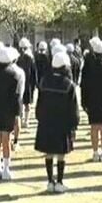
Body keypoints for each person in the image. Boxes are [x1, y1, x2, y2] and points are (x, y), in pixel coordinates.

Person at [35, 51, 80, 193]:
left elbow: (39, 103)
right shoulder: (69, 85)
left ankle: (50, 181)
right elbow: (74, 108)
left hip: (46, 122)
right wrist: (74, 125)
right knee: (61, 154)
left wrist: (39, 118)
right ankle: (60, 182)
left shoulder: (44, 81)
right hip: (62, 123)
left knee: (48, 152)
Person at [0, 46, 23, 180]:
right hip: (8, 111)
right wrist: (17, 113)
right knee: (6, 139)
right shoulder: (14, 75)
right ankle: (6, 169)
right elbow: (16, 97)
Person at [16, 37, 38, 134]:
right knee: (26, 103)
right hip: (28, 84)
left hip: (20, 84)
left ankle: (23, 120)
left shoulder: (18, 58)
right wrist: (35, 84)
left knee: (21, 102)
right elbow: (34, 73)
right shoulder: (30, 58)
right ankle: (25, 121)